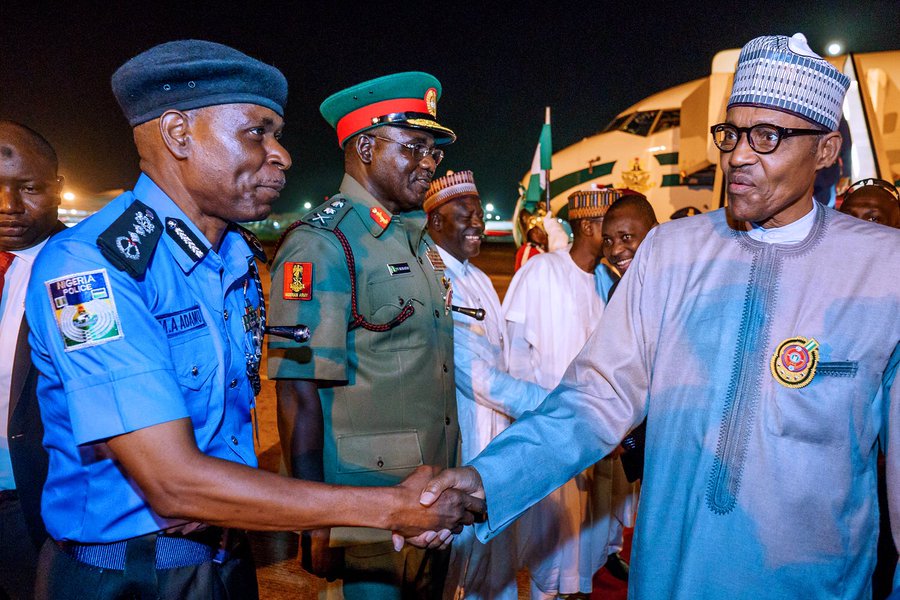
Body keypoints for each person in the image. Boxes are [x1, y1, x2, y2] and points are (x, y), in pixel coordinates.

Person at [419, 32, 900, 598]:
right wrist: (487, 481)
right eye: (732, 132)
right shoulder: (671, 252)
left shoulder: (884, 271)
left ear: (825, 150)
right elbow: (595, 399)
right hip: (672, 577)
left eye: (768, 136)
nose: (739, 155)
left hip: (812, 584)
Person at [24, 42, 482, 600]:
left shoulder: (236, 259)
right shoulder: (89, 268)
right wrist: (388, 508)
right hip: (129, 576)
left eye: (277, 135)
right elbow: (172, 483)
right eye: (257, 133)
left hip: (226, 560)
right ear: (178, 134)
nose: (282, 155)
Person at [267, 71, 461, 599]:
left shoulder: (414, 239)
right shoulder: (325, 245)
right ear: (367, 146)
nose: (429, 162)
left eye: (435, 151)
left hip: (431, 500)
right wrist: (315, 520)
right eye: (415, 146)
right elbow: (297, 392)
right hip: (365, 511)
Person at [424, 170, 550, 599]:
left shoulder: (474, 275)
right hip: (468, 436)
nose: (478, 223)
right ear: (437, 221)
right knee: (460, 563)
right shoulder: (435, 279)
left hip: (497, 432)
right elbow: (474, 376)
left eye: (479, 214)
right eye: (467, 215)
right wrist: (549, 404)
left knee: (494, 559)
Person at [503, 187, 630, 598]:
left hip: (596, 436)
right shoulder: (542, 272)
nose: (617, 240)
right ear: (590, 226)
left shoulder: (606, 281)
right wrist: (536, 421)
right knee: (553, 550)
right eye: (610, 230)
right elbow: (516, 351)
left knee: (584, 545)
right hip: (552, 430)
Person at [0, 120, 62, 599]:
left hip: (30, 500)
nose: (8, 206)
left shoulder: (84, 267)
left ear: (57, 188)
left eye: (28, 189)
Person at [600, 193, 658, 484]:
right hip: (642, 446)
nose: (616, 250)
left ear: (655, 232)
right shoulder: (617, 292)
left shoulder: (680, 288)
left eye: (626, 237)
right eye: (608, 240)